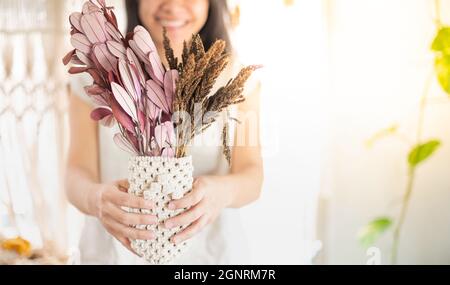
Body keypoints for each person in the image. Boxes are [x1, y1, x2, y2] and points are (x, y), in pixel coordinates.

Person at [65, 0, 263, 264]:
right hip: (112, 254)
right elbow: (76, 172)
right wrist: (95, 198)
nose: (172, 6)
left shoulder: (235, 79)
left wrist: (220, 192)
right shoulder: (99, 75)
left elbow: (252, 176)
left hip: (209, 257)